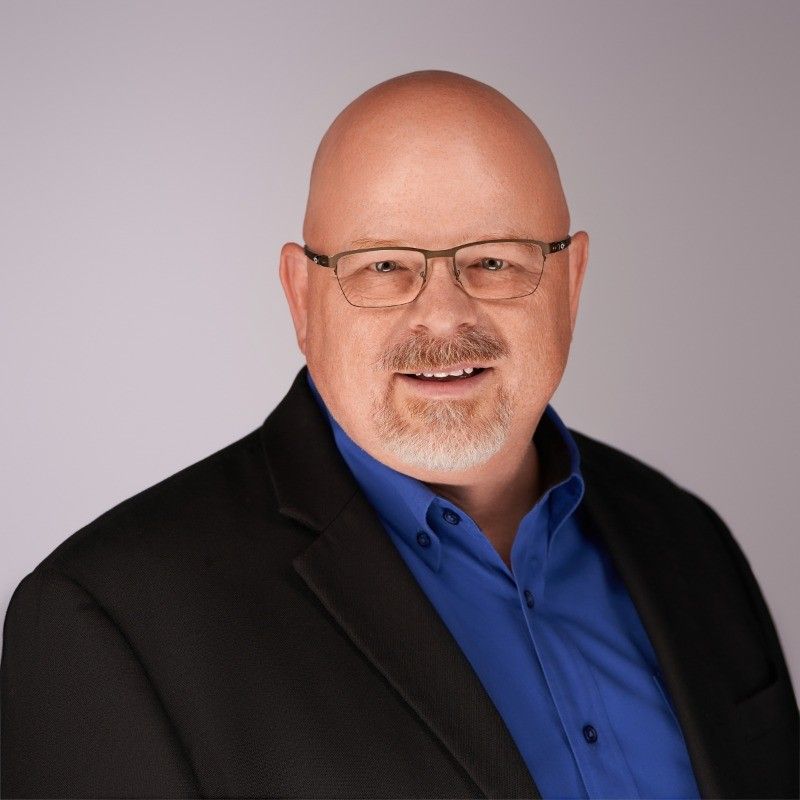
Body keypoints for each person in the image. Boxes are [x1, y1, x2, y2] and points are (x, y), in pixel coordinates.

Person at [1, 69, 797, 800]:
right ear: (301, 297)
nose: (443, 313)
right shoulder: (110, 622)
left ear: (572, 281)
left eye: (493, 260)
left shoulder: (687, 538)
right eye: (382, 266)